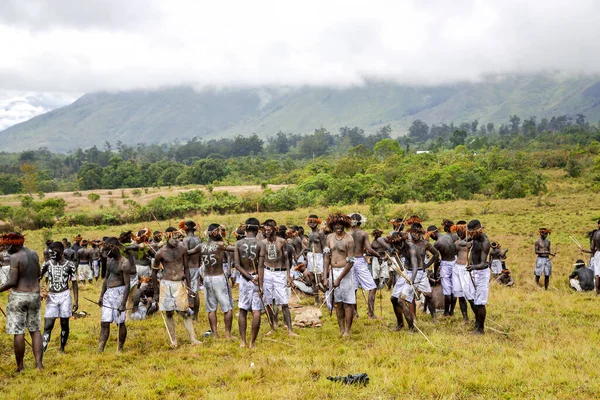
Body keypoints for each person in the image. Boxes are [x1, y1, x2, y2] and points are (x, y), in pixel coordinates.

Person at [0, 232, 44, 371]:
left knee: (18, 332)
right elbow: (38, 275)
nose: (6, 249)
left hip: (19, 296)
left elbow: (12, 281)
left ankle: (20, 367)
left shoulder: (14, 257)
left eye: (6, 245)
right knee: (35, 330)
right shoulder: (34, 254)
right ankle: (39, 365)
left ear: (13, 243)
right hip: (35, 296)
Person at [154, 227, 201, 347]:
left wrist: (189, 287)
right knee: (169, 313)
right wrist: (156, 292)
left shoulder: (182, 249)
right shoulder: (161, 253)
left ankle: (193, 339)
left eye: (177, 238)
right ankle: (174, 340)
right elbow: (153, 272)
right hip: (166, 284)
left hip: (179, 284)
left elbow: (186, 268)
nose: (176, 240)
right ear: (167, 237)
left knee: (185, 312)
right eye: (173, 238)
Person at [188, 224, 235, 339]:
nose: (221, 233)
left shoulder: (201, 246)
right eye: (219, 231)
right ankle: (228, 334)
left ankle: (215, 334)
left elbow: (188, 252)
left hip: (207, 279)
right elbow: (235, 248)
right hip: (218, 277)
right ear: (215, 233)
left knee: (211, 308)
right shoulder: (220, 245)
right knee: (227, 307)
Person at [260, 219, 298, 337]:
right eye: (265, 230)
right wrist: (260, 279)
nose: (266, 232)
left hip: (279, 273)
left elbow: (287, 259)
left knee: (284, 302)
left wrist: (288, 275)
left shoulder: (282, 242)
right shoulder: (262, 243)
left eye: (269, 229)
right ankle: (272, 327)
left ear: (274, 229)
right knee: (268, 301)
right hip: (267, 273)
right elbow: (260, 262)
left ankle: (290, 330)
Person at [233, 218, 266, 348]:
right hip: (256, 278)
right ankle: (252, 342)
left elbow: (236, 265)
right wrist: (260, 284)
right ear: (257, 230)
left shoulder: (238, 244)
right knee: (256, 311)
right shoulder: (261, 244)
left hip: (244, 279)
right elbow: (261, 267)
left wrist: (248, 277)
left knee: (243, 309)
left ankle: (243, 341)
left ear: (245, 229)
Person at [40, 242, 78, 353]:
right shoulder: (47, 264)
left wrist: (76, 300)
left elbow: (74, 283)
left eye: (53, 253)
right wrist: (39, 291)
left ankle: (62, 348)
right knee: (48, 325)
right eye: (50, 253)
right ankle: (43, 349)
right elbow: (38, 277)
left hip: (65, 295)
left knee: (64, 324)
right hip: (51, 296)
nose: (51, 255)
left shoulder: (70, 265)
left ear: (61, 253)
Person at [323, 213, 356, 337]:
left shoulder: (349, 239)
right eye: (336, 225)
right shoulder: (330, 238)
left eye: (341, 225)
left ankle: (347, 330)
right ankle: (341, 329)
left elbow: (351, 262)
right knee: (338, 303)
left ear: (345, 225)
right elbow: (327, 258)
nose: (338, 227)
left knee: (347, 303)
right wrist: (325, 276)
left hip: (345, 272)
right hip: (332, 272)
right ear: (332, 225)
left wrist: (339, 278)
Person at [98, 237, 131, 352]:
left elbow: (127, 285)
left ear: (115, 249)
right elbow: (106, 279)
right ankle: (101, 347)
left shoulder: (125, 263)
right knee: (104, 322)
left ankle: (120, 348)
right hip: (108, 294)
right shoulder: (110, 261)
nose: (106, 254)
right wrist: (102, 295)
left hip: (119, 293)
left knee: (120, 323)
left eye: (108, 251)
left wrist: (123, 303)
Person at [349, 213, 380, 319]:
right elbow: (369, 249)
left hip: (349, 261)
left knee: (353, 288)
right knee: (372, 287)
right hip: (359, 261)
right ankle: (371, 314)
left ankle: (354, 313)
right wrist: (378, 255)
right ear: (361, 222)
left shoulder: (347, 234)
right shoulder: (363, 233)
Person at [388, 231, 418, 331]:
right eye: (395, 245)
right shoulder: (400, 247)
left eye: (398, 245)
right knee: (393, 299)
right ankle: (400, 324)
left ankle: (411, 328)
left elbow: (415, 266)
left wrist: (412, 280)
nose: (397, 247)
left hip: (415, 273)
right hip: (406, 272)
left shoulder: (411, 248)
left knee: (401, 300)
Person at [409, 222, 440, 320]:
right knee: (411, 296)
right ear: (411, 232)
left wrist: (427, 265)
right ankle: (414, 317)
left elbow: (436, 254)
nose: (416, 235)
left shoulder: (425, 244)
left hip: (421, 273)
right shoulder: (407, 244)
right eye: (414, 232)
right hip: (409, 272)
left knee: (429, 295)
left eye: (419, 233)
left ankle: (434, 316)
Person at [466, 220, 491, 334]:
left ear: (479, 230)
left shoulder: (485, 242)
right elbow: (464, 242)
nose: (471, 235)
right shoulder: (474, 238)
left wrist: (473, 267)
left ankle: (481, 329)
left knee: (480, 303)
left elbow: (483, 263)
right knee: (471, 299)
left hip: (481, 273)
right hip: (474, 272)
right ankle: (477, 324)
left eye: (472, 233)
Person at [428, 223, 457, 316]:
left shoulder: (437, 243)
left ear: (432, 234)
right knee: (453, 289)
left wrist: (435, 272)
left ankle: (446, 312)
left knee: (447, 290)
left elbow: (436, 259)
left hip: (446, 265)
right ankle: (452, 311)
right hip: (454, 262)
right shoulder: (449, 237)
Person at [451, 222, 475, 322]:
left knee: (469, 295)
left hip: (466, 269)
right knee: (459, 295)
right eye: (457, 231)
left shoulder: (472, 241)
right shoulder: (457, 242)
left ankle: (477, 316)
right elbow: (455, 254)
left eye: (461, 231)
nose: (459, 233)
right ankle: (465, 318)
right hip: (457, 268)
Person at [181, 221, 202, 320]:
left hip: (189, 268)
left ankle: (191, 314)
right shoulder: (198, 239)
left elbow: (185, 254)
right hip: (197, 266)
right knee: (195, 291)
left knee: (190, 291)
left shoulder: (186, 239)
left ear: (186, 230)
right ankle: (196, 315)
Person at [306, 215, 326, 306]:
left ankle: (327, 296)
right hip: (311, 256)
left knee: (320, 278)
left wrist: (325, 259)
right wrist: (307, 259)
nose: (312, 223)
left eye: (313, 221)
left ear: (317, 222)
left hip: (319, 256)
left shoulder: (320, 233)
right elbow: (308, 246)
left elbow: (325, 247)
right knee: (313, 278)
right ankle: (316, 299)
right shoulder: (309, 233)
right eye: (310, 222)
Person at [579, 220, 600, 294]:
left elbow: (592, 247)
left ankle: (597, 292)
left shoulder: (595, 234)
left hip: (597, 254)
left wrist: (594, 254)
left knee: (597, 274)